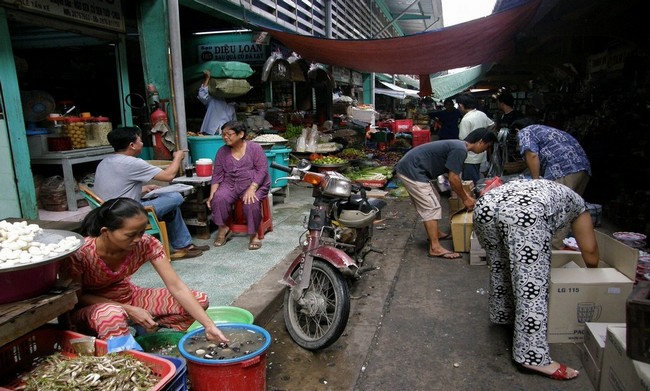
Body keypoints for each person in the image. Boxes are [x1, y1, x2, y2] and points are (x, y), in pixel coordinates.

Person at [473, 179, 599, 381]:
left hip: (485, 206)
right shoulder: (579, 206)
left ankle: (504, 314)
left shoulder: (546, 187)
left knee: (501, 264)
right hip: (524, 212)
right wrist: (595, 276)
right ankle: (533, 357)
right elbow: (590, 251)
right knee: (532, 284)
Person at [60, 197, 229, 342]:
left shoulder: (146, 244)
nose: (138, 239)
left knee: (199, 300)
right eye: (130, 235)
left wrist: (209, 326)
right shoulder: (81, 253)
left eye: (142, 232)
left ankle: (140, 329)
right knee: (111, 314)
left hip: (129, 296)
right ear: (106, 232)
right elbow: (78, 298)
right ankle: (119, 348)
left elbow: (176, 286)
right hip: (93, 309)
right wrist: (128, 310)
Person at [93, 126, 209, 260]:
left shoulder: (105, 161)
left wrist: (143, 188)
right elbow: (168, 176)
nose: (142, 143)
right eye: (140, 140)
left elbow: (114, 188)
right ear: (132, 145)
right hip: (124, 214)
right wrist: (178, 157)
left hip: (109, 210)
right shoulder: (132, 163)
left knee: (170, 206)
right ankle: (182, 245)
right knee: (175, 197)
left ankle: (184, 247)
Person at [393, 128, 497, 259]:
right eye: (487, 146)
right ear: (481, 142)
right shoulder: (460, 150)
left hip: (412, 167)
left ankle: (436, 233)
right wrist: (466, 199)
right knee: (430, 207)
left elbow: (452, 176)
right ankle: (435, 247)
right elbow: (453, 178)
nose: (485, 150)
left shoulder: (458, 146)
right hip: (411, 170)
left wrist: (464, 194)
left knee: (434, 197)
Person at [512, 118, 592, 249]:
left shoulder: (525, 132)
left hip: (563, 170)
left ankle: (553, 252)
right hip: (582, 169)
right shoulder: (546, 131)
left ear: (517, 130)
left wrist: (535, 182)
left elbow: (532, 155)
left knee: (557, 214)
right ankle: (580, 247)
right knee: (571, 211)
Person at [207, 120, 271, 250]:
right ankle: (223, 228)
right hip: (231, 183)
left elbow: (262, 170)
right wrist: (211, 195)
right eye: (223, 134)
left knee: (251, 202)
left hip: (255, 183)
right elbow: (217, 175)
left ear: (240, 134)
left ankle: (253, 235)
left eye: (229, 134)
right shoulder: (222, 152)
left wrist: (252, 188)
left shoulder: (255, 148)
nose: (225, 137)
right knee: (218, 198)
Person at [456, 92, 495, 184]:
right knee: (479, 180)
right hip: (481, 154)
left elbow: (463, 141)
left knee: (470, 184)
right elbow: (492, 125)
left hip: (470, 158)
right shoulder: (481, 114)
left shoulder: (466, 120)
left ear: (461, 106)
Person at [198, 70, 237, 135]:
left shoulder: (232, 106)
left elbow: (234, 123)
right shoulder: (214, 99)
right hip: (210, 132)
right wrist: (207, 78)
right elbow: (202, 95)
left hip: (225, 135)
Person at [494, 91, 524, 163]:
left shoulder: (517, 116)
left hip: (512, 150)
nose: (497, 104)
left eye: (498, 102)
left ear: (502, 103)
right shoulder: (501, 116)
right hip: (502, 149)